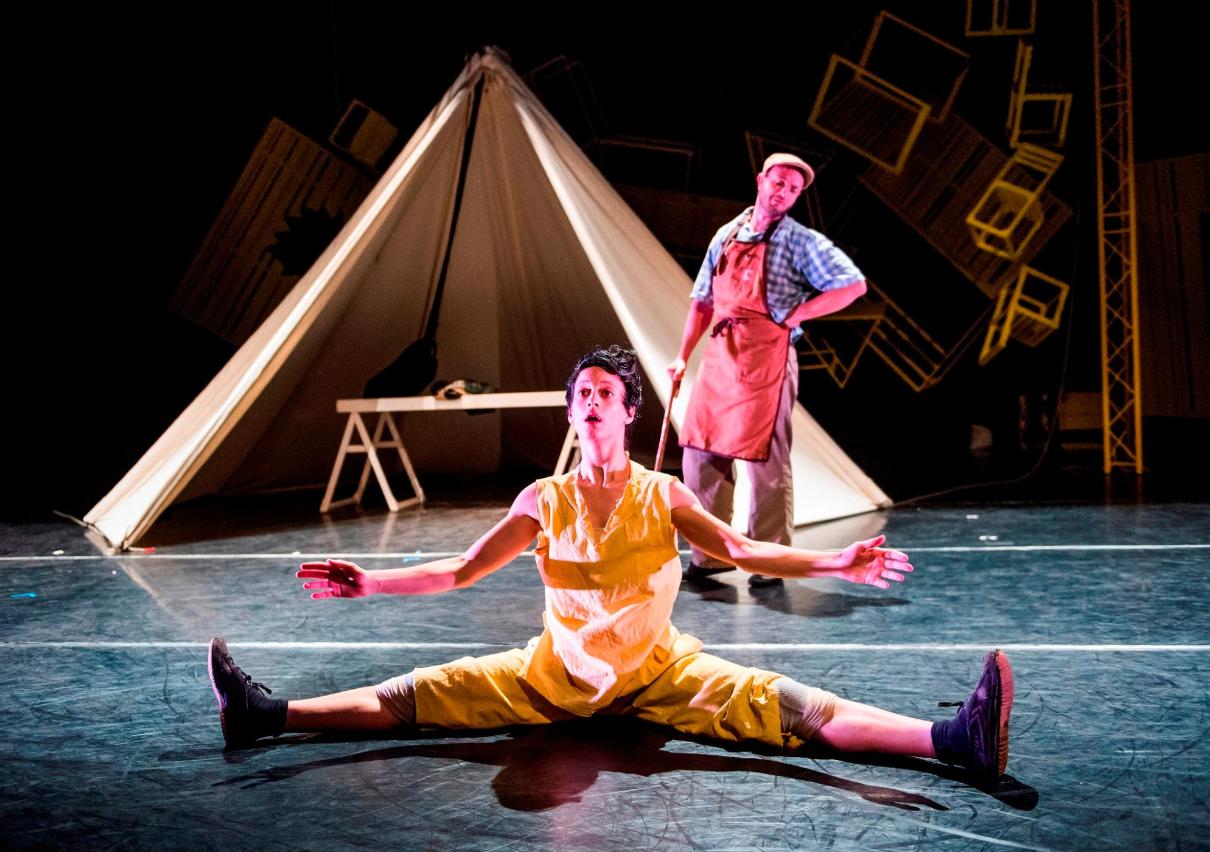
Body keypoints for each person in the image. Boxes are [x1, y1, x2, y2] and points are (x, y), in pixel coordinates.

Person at [208, 346, 1013, 784]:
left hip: (660, 673)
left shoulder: (662, 495)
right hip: (551, 675)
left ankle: (953, 739)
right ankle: (264, 714)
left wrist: (837, 562)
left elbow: (738, 549)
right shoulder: (544, 499)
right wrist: (374, 581)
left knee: (796, 707)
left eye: (604, 393)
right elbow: (461, 571)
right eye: (581, 394)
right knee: (417, 696)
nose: (590, 402)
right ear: (571, 413)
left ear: (628, 413)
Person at [668, 153, 868, 587]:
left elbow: (853, 285)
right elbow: (702, 300)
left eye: (793, 190)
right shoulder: (727, 234)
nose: (783, 193)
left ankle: (770, 560)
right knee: (701, 456)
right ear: (761, 181)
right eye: (778, 183)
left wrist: (798, 314)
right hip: (723, 357)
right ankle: (711, 556)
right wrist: (683, 355)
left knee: (766, 463)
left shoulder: (799, 240)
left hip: (768, 360)